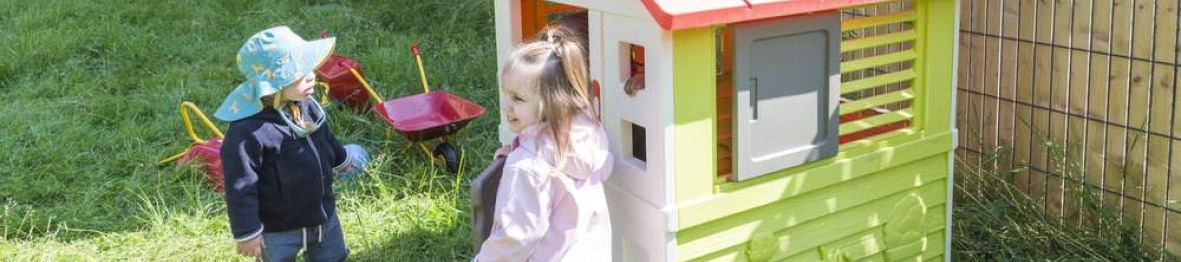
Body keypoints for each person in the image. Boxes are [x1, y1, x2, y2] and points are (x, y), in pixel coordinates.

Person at [215, 26, 368, 262]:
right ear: (274, 83)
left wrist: (341, 159)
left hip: (323, 214)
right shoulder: (247, 132)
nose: (312, 76)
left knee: (333, 257)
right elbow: (240, 185)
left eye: (310, 69)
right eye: (300, 73)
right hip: (279, 228)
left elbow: (322, 136)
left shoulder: (303, 104)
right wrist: (247, 232)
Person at [476, 28, 614, 261]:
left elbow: (519, 237)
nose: (506, 106)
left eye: (518, 99)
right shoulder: (587, 135)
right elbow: (605, 167)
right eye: (507, 94)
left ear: (552, 103)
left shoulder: (527, 165)